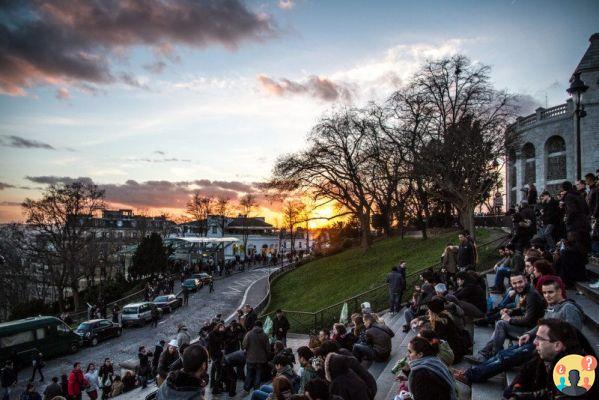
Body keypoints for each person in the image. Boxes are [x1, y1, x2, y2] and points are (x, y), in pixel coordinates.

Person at [503, 319, 598, 399]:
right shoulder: (544, 356)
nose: (535, 342)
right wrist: (516, 392)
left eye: (540, 338)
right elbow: (523, 376)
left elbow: (554, 395)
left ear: (557, 345)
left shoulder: (576, 369)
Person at [465, 273, 545, 363]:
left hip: (531, 331)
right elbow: (524, 309)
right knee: (500, 324)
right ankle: (485, 353)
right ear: (511, 284)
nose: (518, 285)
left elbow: (528, 320)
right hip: (528, 327)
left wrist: (509, 319)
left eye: (520, 282)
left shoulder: (531, 295)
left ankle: (492, 356)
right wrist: (511, 311)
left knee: (501, 324)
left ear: (525, 281)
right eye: (514, 283)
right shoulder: (525, 292)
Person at [405, 336, 457, 400]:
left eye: (410, 352)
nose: (407, 355)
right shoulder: (434, 361)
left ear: (420, 354)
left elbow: (422, 395)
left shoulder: (421, 374)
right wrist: (407, 371)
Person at [425, 297, 468, 363]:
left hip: (452, 355)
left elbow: (439, 341)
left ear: (432, 311)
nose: (428, 311)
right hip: (458, 350)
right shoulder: (445, 316)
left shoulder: (439, 323)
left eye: (429, 310)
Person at [243, 320, 270, 392]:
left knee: (249, 373)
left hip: (250, 358)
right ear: (261, 326)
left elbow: (244, 345)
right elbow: (268, 348)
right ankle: (256, 389)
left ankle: (246, 388)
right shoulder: (264, 335)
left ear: (254, 326)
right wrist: (267, 356)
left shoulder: (249, 334)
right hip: (261, 359)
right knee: (258, 374)